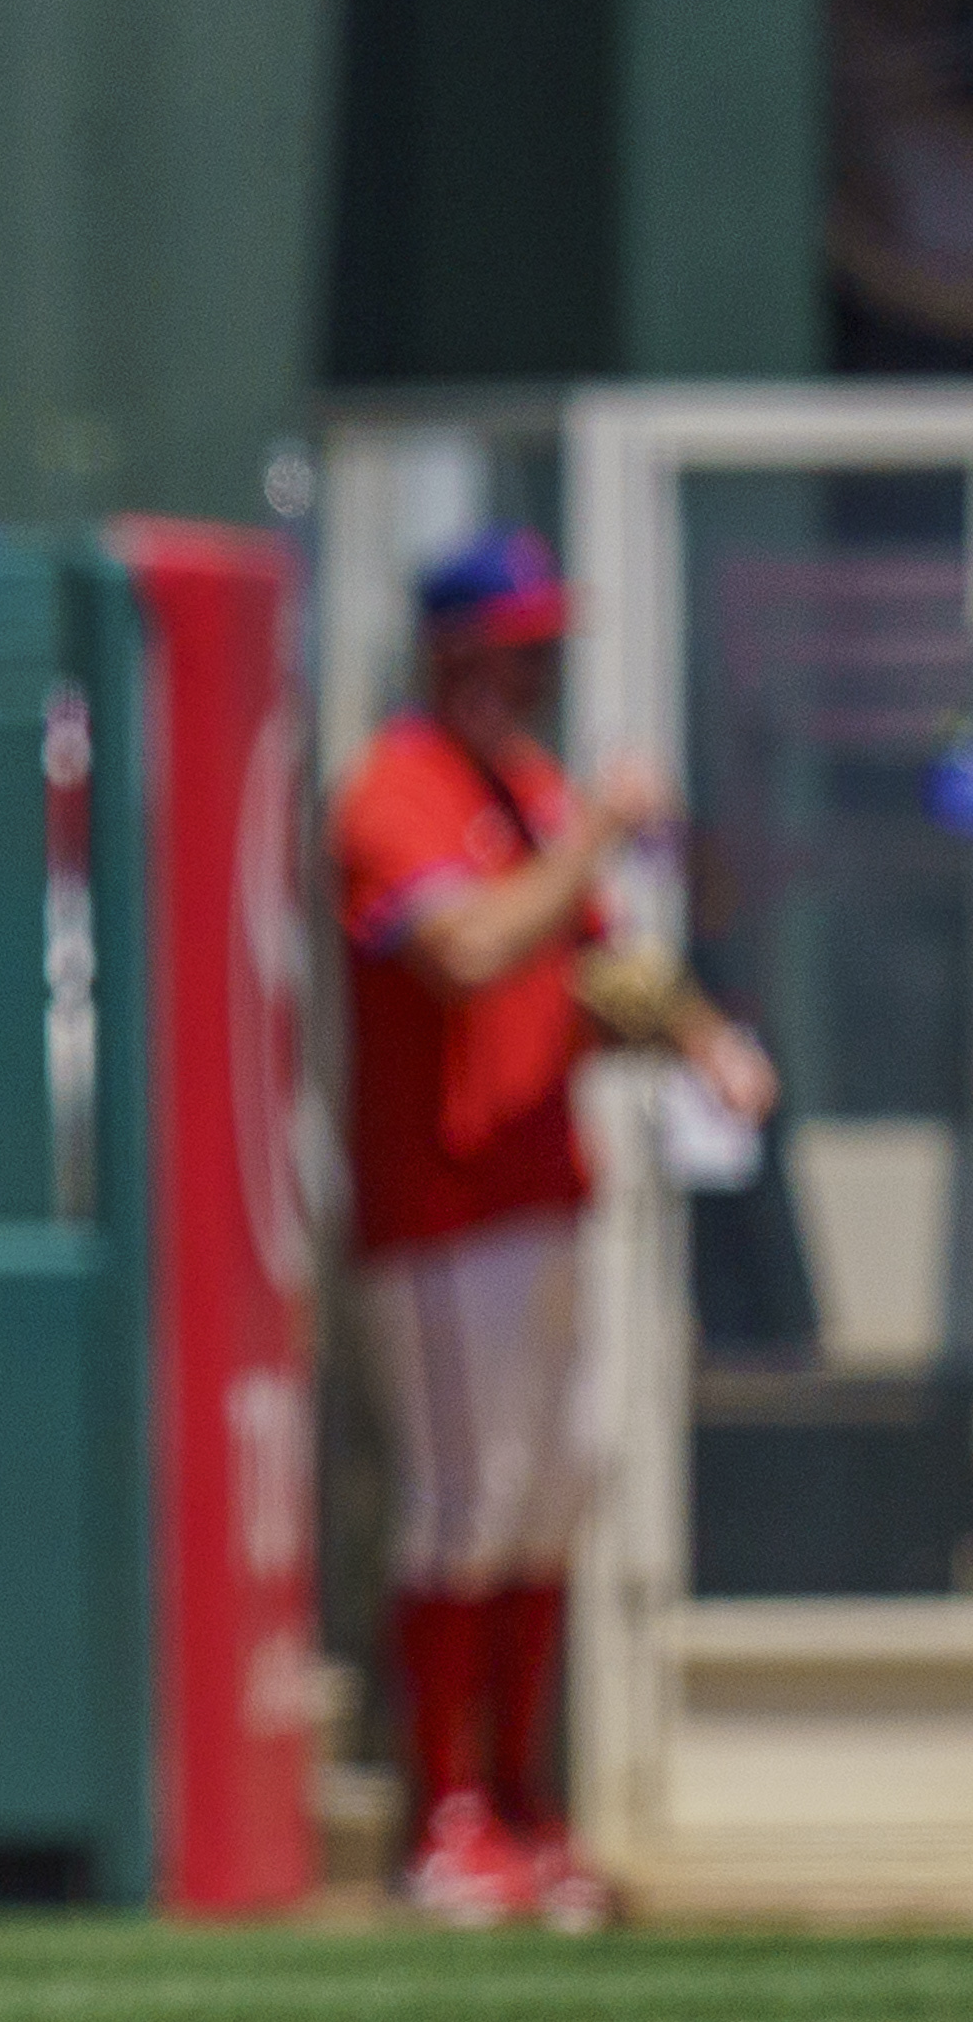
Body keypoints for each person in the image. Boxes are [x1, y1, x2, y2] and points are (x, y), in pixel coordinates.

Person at [331, 527, 776, 1925]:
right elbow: (465, 951)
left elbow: (591, 969)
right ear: (453, 651)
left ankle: (519, 1803)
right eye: (513, 650)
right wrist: (591, 832)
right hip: (442, 1207)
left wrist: (701, 1035)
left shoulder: (523, 787)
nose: (532, 677)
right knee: (466, 1505)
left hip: (546, 1187)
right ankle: (443, 1817)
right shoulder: (393, 788)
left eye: (541, 653)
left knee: (551, 1491)